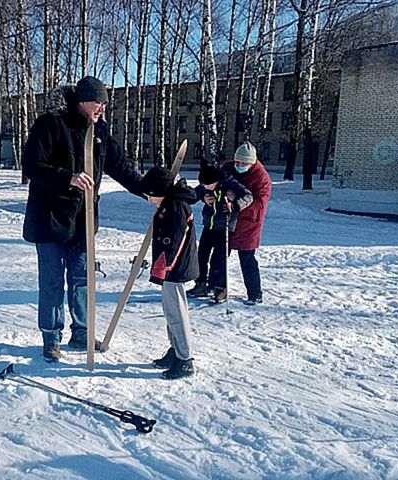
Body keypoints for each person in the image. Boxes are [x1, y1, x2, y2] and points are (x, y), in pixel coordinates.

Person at [22, 76, 144, 362]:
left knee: (82, 280)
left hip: (83, 221)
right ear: (81, 101)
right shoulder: (50, 124)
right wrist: (69, 177)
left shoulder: (98, 131)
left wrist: (150, 192)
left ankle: (82, 333)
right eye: (97, 102)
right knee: (52, 282)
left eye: (104, 103)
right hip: (50, 219)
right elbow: (32, 165)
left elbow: (122, 167)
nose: (101, 108)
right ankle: (51, 337)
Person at [141, 167, 199, 380]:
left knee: (176, 313)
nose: (148, 199)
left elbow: (175, 241)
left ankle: (185, 359)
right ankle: (175, 350)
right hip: (171, 269)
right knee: (170, 312)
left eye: (150, 194)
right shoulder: (169, 204)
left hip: (175, 269)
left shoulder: (175, 207)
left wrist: (165, 266)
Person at [188, 165, 253, 303]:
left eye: (207, 184)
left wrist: (235, 205)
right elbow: (194, 195)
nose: (205, 187)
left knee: (219, 260)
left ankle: (220, 288)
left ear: (216, 181)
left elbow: (248, 196)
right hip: (209, 226)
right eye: (203, 184)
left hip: (225, 227)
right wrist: (203, 198)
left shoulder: (230, 184)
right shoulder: (206, 186)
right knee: (201, 256)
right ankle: (201, 284)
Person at [221, 141, 271, 306]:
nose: (239, 165)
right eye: (237, 161)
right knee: (219, 257)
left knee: (247, 259)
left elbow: (259, 204)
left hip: (249, 224)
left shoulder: (261, 177)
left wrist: (236, 203)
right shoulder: (228, 168)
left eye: (243, 163)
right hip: (227, 220)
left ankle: (255, 293)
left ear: (252, 162)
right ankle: (217, 288)